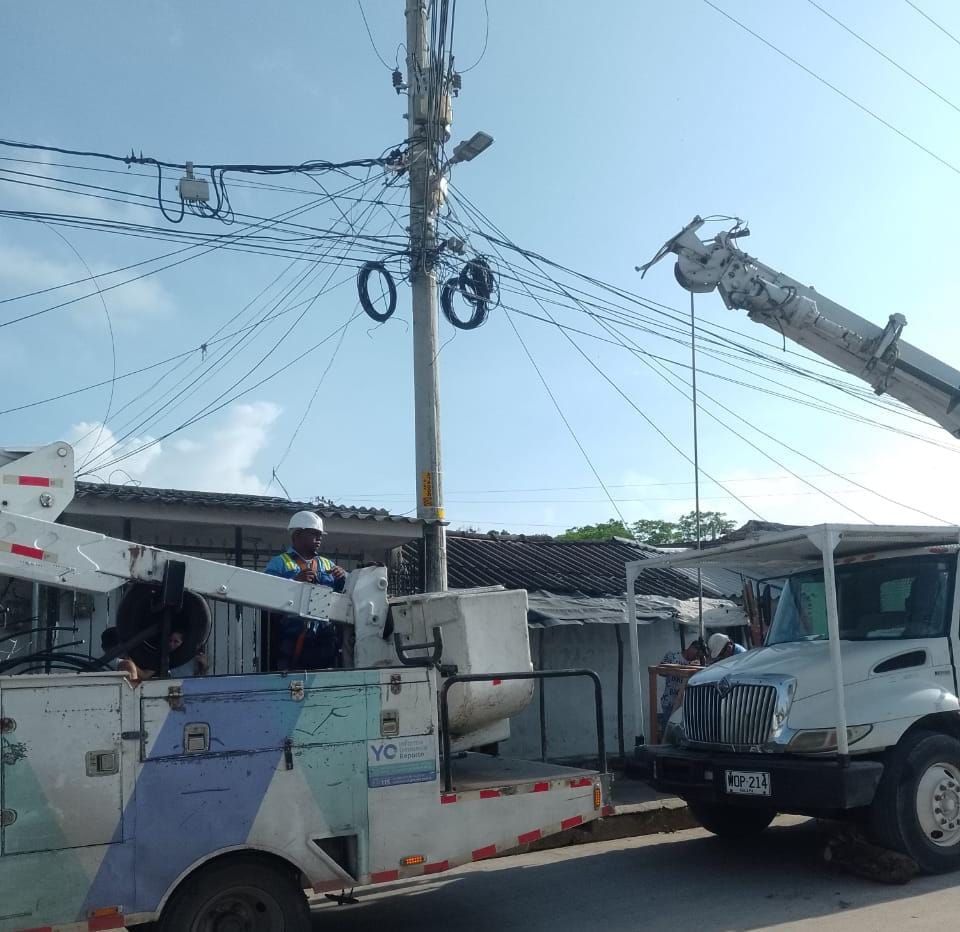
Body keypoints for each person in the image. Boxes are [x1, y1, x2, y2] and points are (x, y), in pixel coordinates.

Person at [265, 511, 348, 670]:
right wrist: (295, 582)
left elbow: (347, 593)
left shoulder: (327, 564)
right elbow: (268, 592)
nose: (319, 538)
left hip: (324, 637)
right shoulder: (279, 563)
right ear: (297, 534)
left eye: (320, 535)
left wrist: (344, 577)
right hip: (290, 637)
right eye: (314, 534)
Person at [657, 638, 706, 738]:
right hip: (669, 701)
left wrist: (701, 662)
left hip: (684, 704)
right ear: (691, 648)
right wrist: (675, 669)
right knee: (667, 731)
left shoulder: (695, 664)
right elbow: (660, 671)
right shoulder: (672, 656)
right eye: (696, 654)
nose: (695, 657)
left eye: (698, 656)